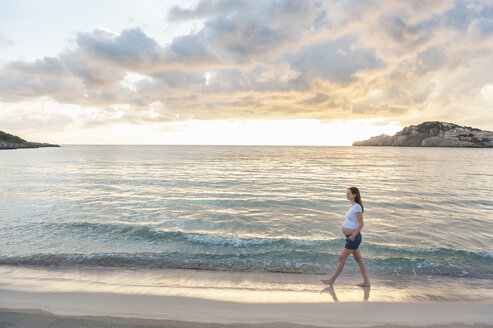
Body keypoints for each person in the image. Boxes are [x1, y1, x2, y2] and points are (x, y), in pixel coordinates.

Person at [321, 187, 371, 287]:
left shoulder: (357, 207)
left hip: (353, 238)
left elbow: (361, 224)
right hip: (352, 237)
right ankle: (367, 282)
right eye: (346, 193)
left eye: (348, 193)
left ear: (354, 195)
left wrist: (353, 236)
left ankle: (331, 280)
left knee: (341, 257)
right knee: (358, 258)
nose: (346, 195)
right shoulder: (353, 206)